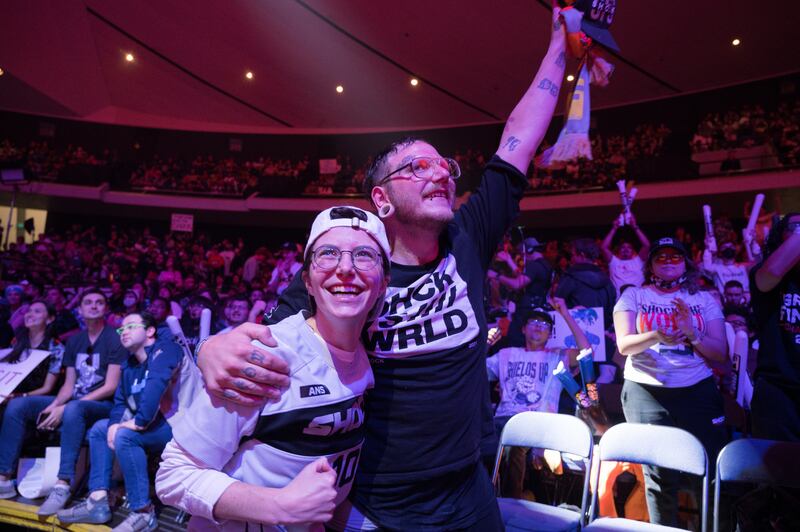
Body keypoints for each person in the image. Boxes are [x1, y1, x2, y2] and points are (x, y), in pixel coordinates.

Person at [191, 7, 569, 530]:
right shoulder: (349, 271)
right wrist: (212, 347)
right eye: (418, 166)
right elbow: (272, 341)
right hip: (376, 501)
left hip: (469, 487)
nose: (441, 173)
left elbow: (518, 139)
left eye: (445, 166)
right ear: (382, 199)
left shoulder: (467, 237)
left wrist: (561, 44)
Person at [155, 206, 390, 530]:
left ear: (384, 283)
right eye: (328, 253)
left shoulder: (369, 352)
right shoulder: (265, 356)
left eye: (364, 255)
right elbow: (175, 475)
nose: (346, 268)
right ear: (307, 282)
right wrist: (278, 506)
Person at [613, 237, 729, 526]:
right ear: (650, 265)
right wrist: (656, 335)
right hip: (646, 392)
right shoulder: (634, 296)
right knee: (659, 475)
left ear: (686, 263)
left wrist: (692, 333)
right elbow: (624, 345)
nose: (668, 261)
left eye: (675, 256)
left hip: (697, 390)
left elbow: (720, 353)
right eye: (660, 256)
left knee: (709, 469)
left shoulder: (704, 299)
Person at [0, 288, 126, 514]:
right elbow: (69, 385)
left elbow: (110, 386)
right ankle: (4, 477)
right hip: (75, 402)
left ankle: (63, 484)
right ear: (80, 310)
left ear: (106, 308)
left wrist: (66, 407)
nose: (93, 305)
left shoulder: (114, 339)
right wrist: (55, 404)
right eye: (88, 302)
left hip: (103, 405)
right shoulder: (76, 341)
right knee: (18, 405)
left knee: (74, 408)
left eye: (99, 302)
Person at [57, 311, 183, 531]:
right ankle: (97, 501)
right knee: (100, 429)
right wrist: (114, 424)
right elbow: (120, 403)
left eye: (131, 326)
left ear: (150, 331)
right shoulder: (129, 365)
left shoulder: (166, 350)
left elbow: (156, 384)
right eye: (121, 329)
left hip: (177, 425)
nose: (124, 332)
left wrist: (138, 422)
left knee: (126, 435)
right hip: (151, 425)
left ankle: (143, 513)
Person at [487, 297, 591, 498]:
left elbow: (586, 353)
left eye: (544, 325)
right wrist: (485, 343)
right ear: (523, 329)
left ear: (550, 334)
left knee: (513, 443)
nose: (538, 326)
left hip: (537, 422)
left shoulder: (557, 356)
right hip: (500, 420)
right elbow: (474, 372)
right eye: (533, 322)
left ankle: (511, 505)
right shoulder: (506, 354)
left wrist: (565, 314)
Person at [749, 212, 800, 441]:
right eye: (795, 227)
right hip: (778, 389)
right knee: (778, 462)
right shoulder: (764, 272)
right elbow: (770, 274)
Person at [491, 237, 553, 347]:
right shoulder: (546, 265)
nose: (523, 257)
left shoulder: (533, 265)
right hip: (539, 307)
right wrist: (509, 260)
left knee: (516, 341)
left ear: (529, 250)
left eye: (523, 253)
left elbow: (518, 284)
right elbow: (524, 278)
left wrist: (496, 276)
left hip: (526, 311)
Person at [0, 301, 64, 404]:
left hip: (38, 398)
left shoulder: (56, 348)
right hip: (11, 393)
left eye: (37, 311)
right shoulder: (17, 341)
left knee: (15, 404)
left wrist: (20, 396)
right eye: (29, 311)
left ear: (50, 319)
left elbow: (47, 388)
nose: (30, 314)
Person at [601, 212, 651, 295]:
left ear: (633, 251)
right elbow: (603, 247)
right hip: (618, 301)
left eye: (629, 247)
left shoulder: (639, 261)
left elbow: (647, 245)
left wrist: (635, 227)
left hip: (638, 300)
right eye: (622, 247)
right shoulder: (613, 262)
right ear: (618, 250)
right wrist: (614, 228)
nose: (626, 249)